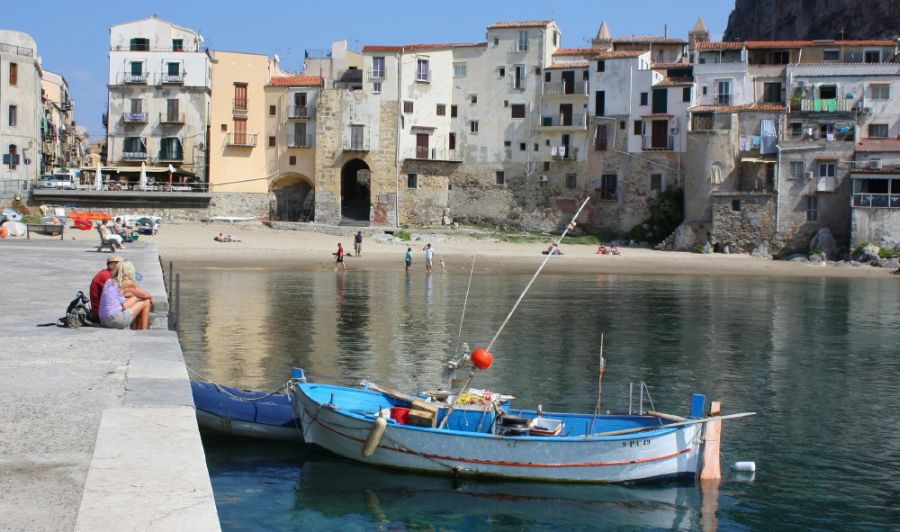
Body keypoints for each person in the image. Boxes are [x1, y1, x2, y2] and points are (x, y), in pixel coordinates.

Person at [98, 259, 152, 330]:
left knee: (135, 298)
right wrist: (148, 297)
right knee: (146, 301)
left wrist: (135, 296)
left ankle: (135, 329)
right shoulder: (126, 282)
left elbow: (124, 296)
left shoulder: (109, 281)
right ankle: (144, 332)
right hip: (114, 320)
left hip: (103, 319)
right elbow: (146, 295)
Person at [89, 254, 123, 322]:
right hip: (101, 314)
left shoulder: (105, 273)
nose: (122, 267)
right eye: (120, 264)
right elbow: (118, 294)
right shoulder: (106, 276)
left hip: (101, 311)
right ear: (112, 265)